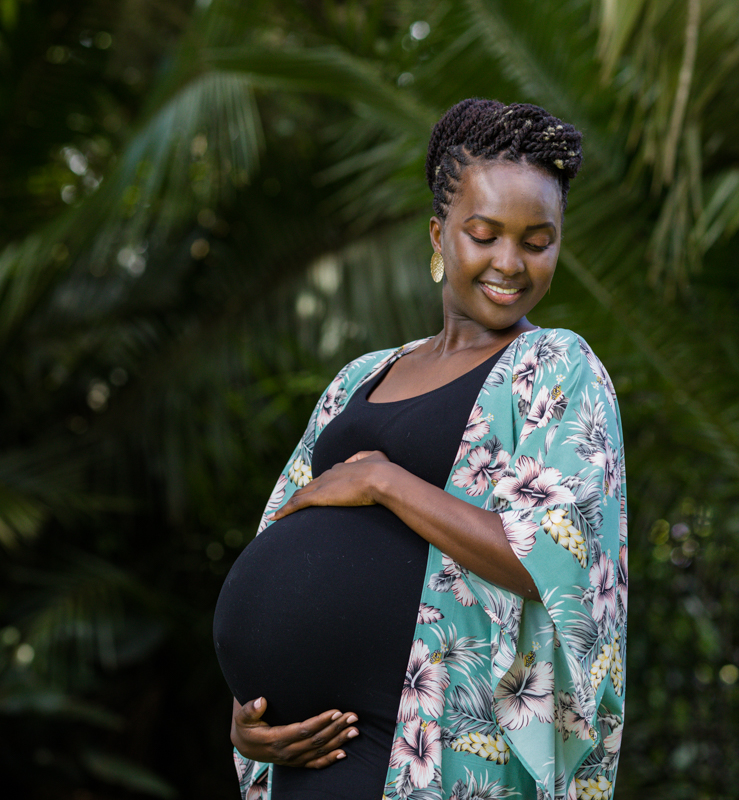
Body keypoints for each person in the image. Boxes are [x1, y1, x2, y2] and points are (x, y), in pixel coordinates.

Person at [212, 98, 627, 800]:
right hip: (302, 757)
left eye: (537, 240)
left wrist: (385, 482)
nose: (510, 262)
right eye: (484, 233)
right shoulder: (358, 377)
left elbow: (555, 563)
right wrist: (249, 709)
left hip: (430, 756)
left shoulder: (557, 367)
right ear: (438, 236)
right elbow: (289, 519)